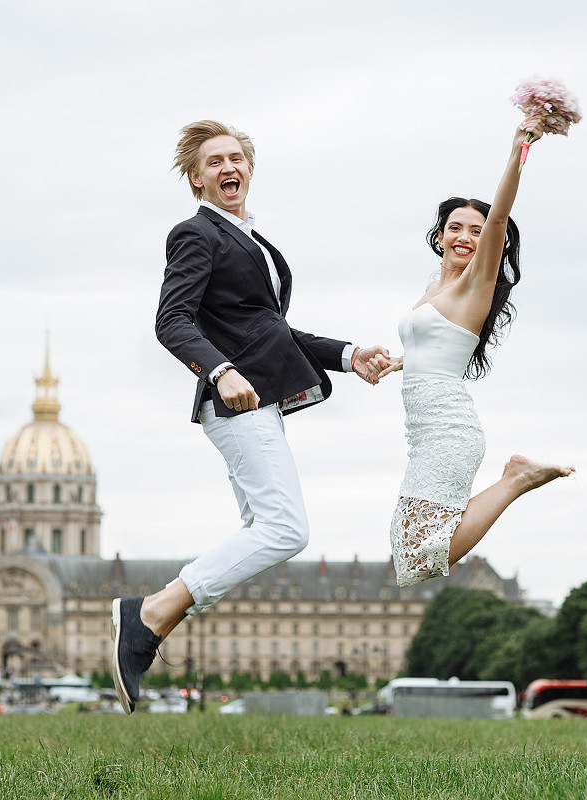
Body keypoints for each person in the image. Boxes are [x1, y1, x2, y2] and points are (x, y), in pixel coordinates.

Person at [109, 120, 387, 714]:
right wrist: (218, 370)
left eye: (236, 157)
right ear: (195, 178)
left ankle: (152, 616)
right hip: (237, 399)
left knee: (263, 530)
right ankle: (151, 614)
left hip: (255, 398)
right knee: (287, 529)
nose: (227, 167)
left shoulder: (250, 238)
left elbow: (271, 331)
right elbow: (171, 321)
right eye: (214, 162)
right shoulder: (195, 233)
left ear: (251, 169)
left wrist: (346, 355)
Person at [370, 114, 574, 587]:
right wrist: (399, 361)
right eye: (455, 227)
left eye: (476, 231)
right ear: (439, 235)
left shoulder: (476, 285)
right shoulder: (432, 288)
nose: (465, 236)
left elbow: (501, 214)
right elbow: (436, 343)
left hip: (448, 430)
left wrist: (519, 148)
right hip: (423, 431)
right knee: (408, 550)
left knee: (417, 558)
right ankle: (515, 479)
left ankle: (515, 480)